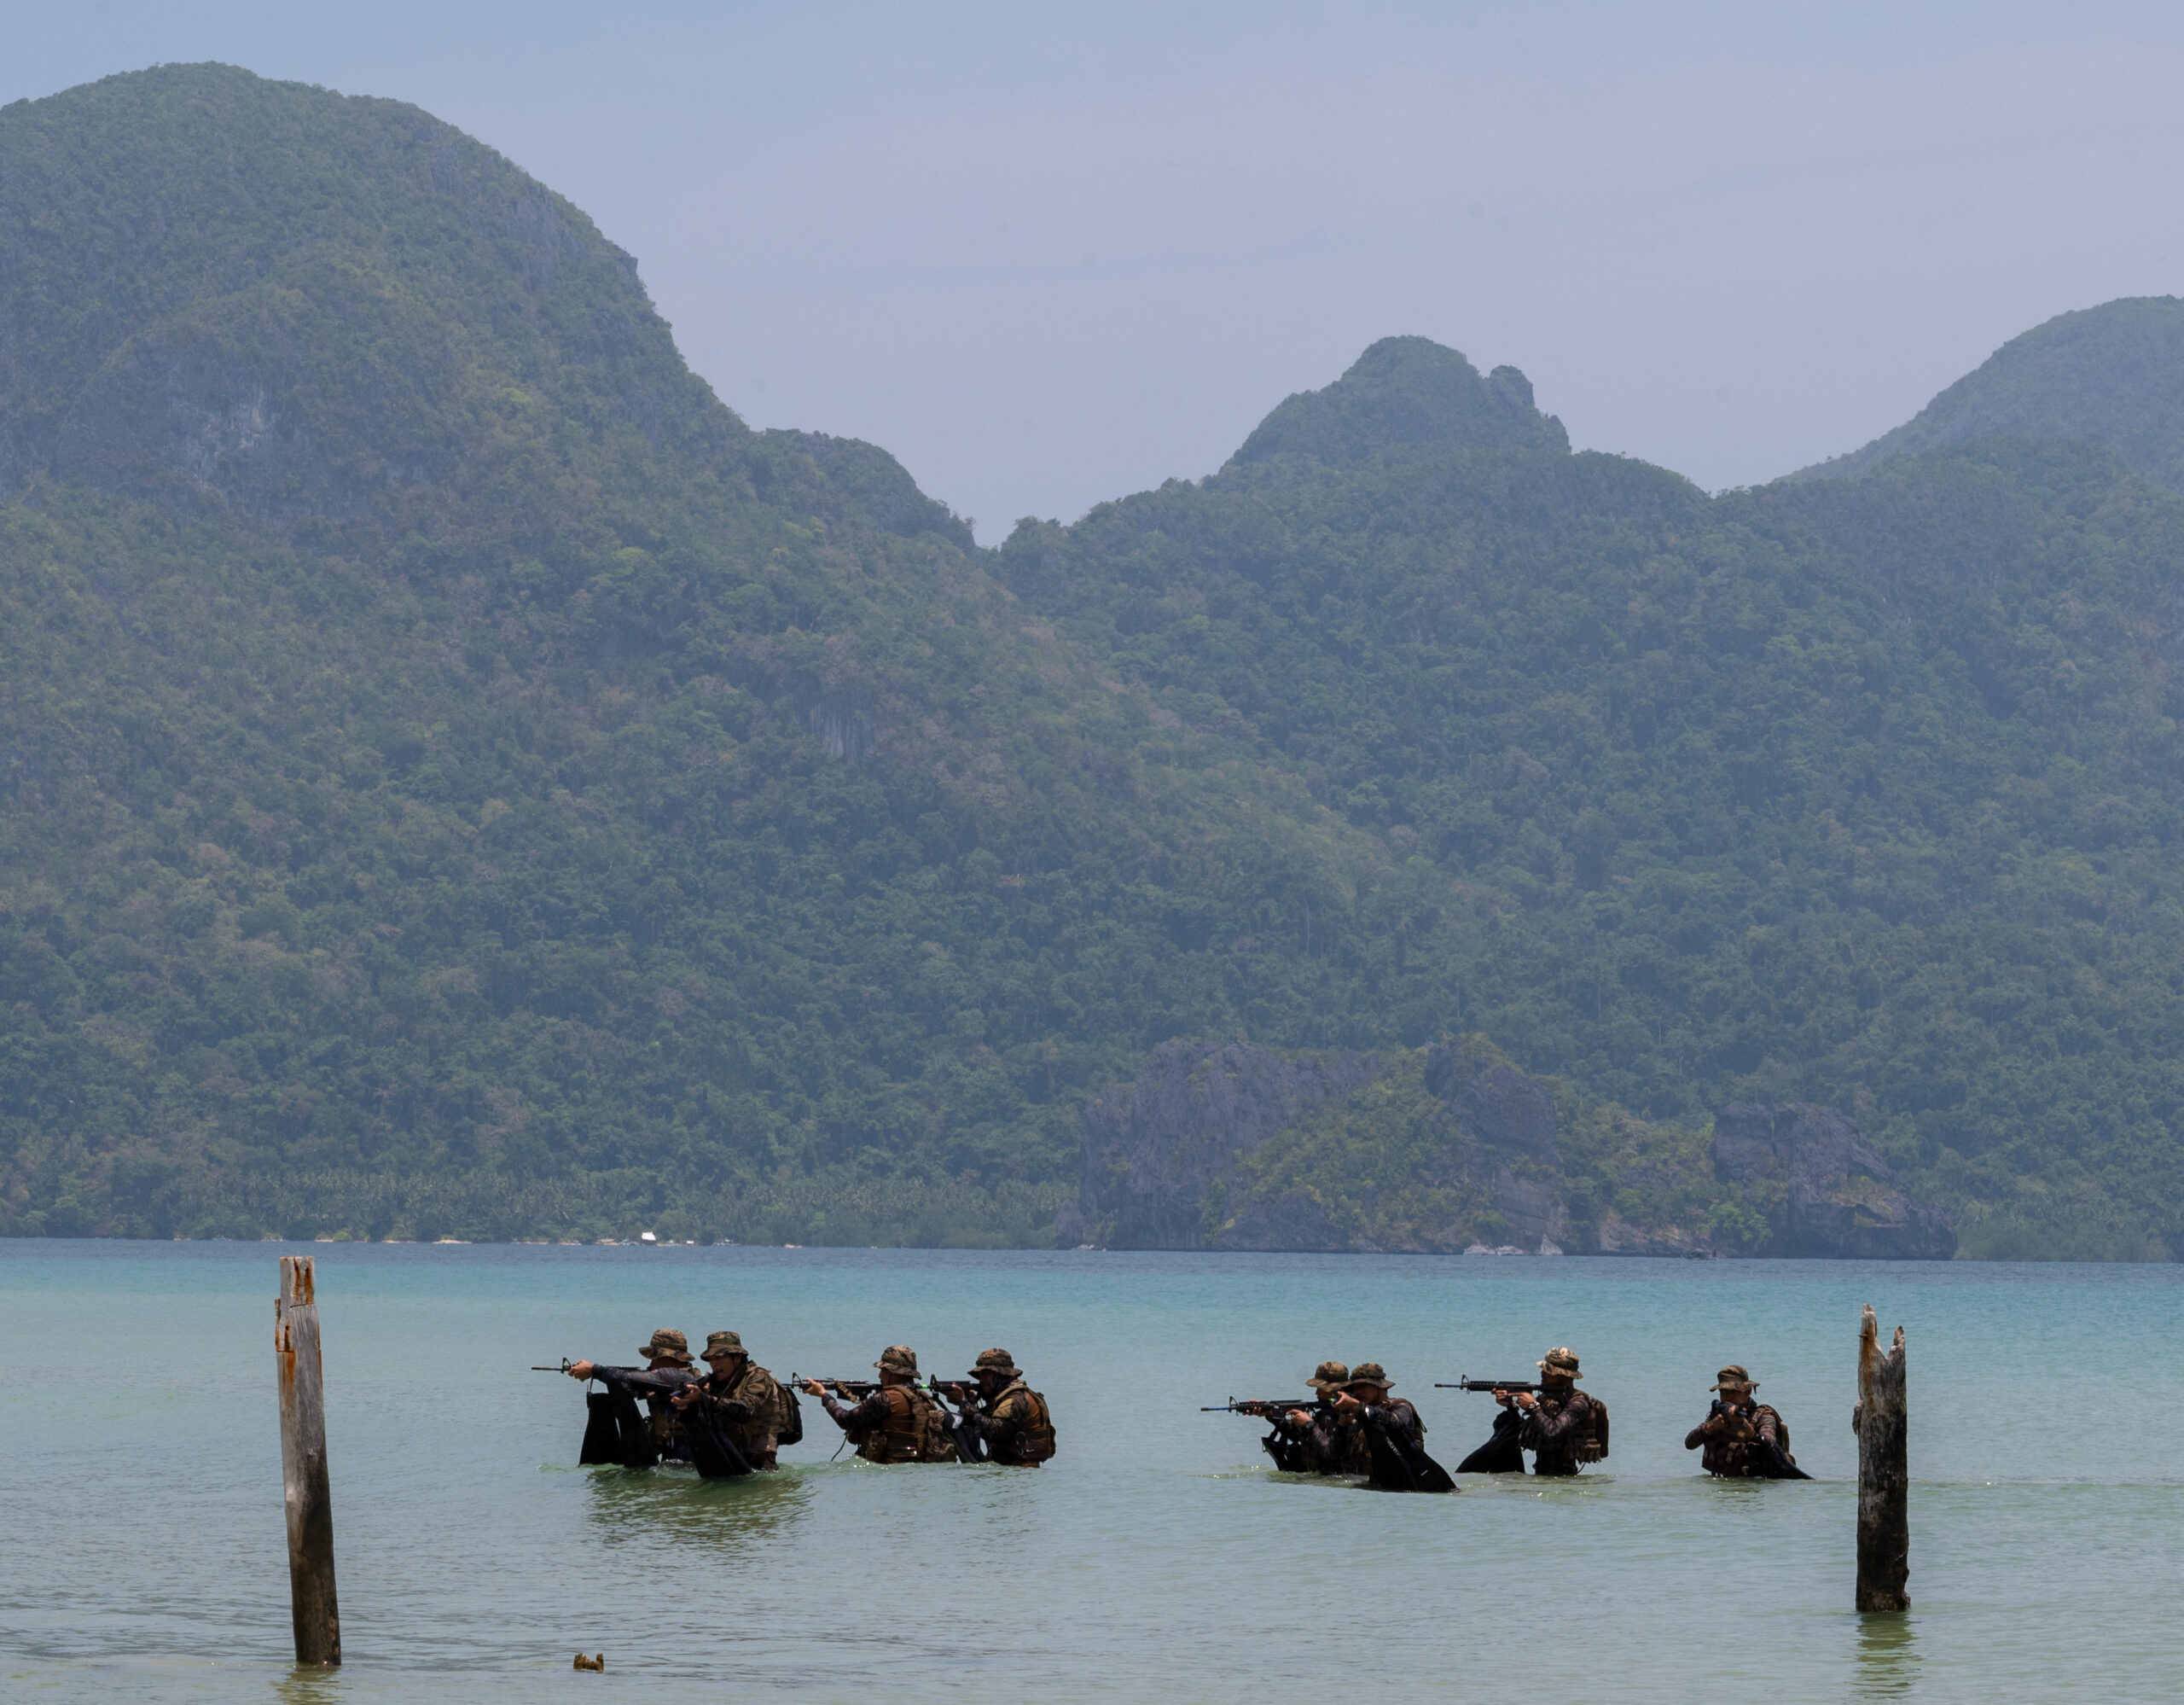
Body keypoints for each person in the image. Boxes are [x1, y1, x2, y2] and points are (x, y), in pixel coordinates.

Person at [804, 1346, 955, 1464]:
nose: (880, 1375)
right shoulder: (923, 1398)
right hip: (915, 1464)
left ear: (893, 1372)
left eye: (883, 1370)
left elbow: (845, 1419)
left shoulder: (886, 1398)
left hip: (889, 1467)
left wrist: (824, 1395)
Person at [566, 1329, 699, 1462]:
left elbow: (621, 1378)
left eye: (655, 1357)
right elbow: (627, 1382)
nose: (651, 1363)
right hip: (674, 1466)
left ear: (671, 1357)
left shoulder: (679, 1378)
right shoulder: (671, 1381)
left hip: (687, 1466)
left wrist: (593, 1370)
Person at [671, 1330, 788, 1469]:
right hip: (728, 1457)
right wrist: (690, 1400)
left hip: (760, 1464)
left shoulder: (758, 1378)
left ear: (737, 1358)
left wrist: (707, 1399)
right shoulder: (715, 1381)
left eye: (719, 1358)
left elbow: (746, 1410)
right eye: (711, 1359)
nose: (714, 1364)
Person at [1498, 1346, 1606, 1476]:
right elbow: (1526, 1430)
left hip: (1564, 1480)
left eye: (1548, 1370)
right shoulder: (1547, 1400)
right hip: (1542, 1477)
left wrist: (1533, 1406)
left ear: (1562, 1375)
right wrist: (1511, 1406)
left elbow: (1552, 1431)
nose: (1542, 1372)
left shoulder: (1578, 1403)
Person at [946, 1347, 1056, 1467]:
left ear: (1001, 1374)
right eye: (980, 1375)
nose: (982, 1380)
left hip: (1019, 1471)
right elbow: (983, 1422)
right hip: (1010, 1470)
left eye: (987, 1374)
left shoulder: (1015, 1400)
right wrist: (970, 1405)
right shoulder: (1004, 1399)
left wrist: (964, 1404)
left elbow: (994, 1432)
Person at [1686, 1365, 1799, 1478]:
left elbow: (1770, 1443)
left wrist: (1745, 1427)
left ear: (1748, 1391)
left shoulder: (1763, 1415)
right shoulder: (1718, 1417)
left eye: (1734, 1392)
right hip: (1720, 1488)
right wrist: (1711, 1427)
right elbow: (1689, 1444)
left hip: (1754, 1488)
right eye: (1724, 1392)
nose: (1729, 1397)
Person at [1261, 1361, 1350, 1473]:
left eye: (1321, 1388)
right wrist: (1272, 1416)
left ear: (1336, 1390)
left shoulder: (1346, 1415)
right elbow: (1297, 1435)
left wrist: (1310, 1424)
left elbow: (1330, 1452)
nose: (1316, 1393)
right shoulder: (1325, 1414)